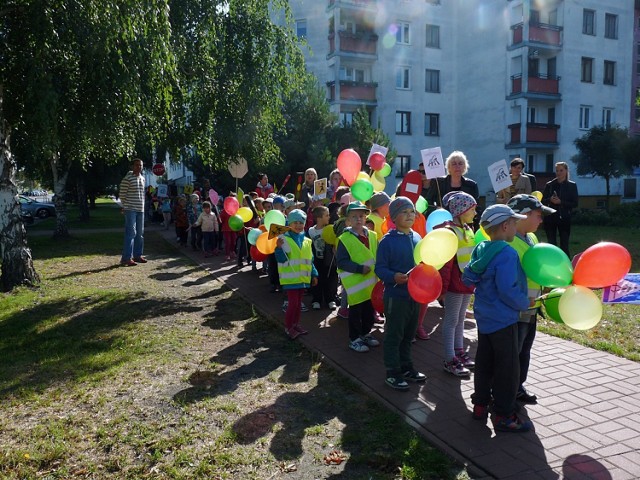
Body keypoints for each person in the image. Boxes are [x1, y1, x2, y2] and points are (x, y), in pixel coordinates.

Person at [463, 204, 533, 433]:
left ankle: (480, 405)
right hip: (503, 320)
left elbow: (472, 278)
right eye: (514, 223)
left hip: (485, 318)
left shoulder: (481, 247)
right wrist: (525, 303)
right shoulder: (507, 253)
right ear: (505, 225)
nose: (516, 226)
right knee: (507, 368)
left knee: (484, 363)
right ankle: (504, 414)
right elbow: (507, 289)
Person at [507, 194, 556, 405]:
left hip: (532, 307)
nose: (541, 220)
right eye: (538, 215)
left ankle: (517, 386)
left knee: (524, 350)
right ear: (524, 215)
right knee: (511, 352)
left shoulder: (532, 238)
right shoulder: (509, 244)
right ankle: (504, 391)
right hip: (515, 310)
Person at [375, 196, 427, 391]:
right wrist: (392, 276)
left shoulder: (417, 238)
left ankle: (406, 367)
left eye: (412, 211)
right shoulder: (387, 241)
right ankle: (392, 372)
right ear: (394, 217)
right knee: (394, 335)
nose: (409, 215)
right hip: (396, 296)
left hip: (415, 296)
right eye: (404, 212)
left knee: (408, 334)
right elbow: (379, 269)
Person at [438, 191, 477, 377]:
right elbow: (446, 265)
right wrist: (442, 290)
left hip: (466, 284)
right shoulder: (450, 232)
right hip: (453, 285)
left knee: (460, 319)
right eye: (473, 209)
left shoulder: (468, 229)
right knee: (451, 320)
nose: (475, 213)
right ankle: (449, 358)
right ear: (462, 211)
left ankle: (459, 351)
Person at [336, 201, 380, 353]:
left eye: (361, 216)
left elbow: (377, 254)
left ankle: (365, 333)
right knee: (355, 312)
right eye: (354, 217)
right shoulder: (344, 239)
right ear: (348, 220)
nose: (358, 219)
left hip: (371, 283)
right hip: (356, 284)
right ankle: (354, 339)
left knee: (369, 311)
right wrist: (359, 268)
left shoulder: (373, 235)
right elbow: (341, 262)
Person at [275, 209, 318, 339]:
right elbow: (281, 259)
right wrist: (278, 248)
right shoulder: (284, 239)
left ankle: (296, 325)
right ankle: (289, 327)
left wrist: (314, 274)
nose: (299, 225)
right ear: (289, 223)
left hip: (302, 278)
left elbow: (310, 260)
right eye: (295, 222)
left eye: (301, 223)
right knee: (293, 304)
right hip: (290, 279)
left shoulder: (307, 241)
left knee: (299, 304)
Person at [424, 151, 479, 218]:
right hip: (442, 220)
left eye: (460, 164)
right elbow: (428, 203)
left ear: (465, 166)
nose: (457, 166)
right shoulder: (438, 182)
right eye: (454, 164)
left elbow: (476, 208)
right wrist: (436, 210)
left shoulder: (472, 185)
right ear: (448, 167)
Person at [541, 161, 579, 257]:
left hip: (564, 218)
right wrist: (550, 200)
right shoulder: (550, 185)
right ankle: (552, 264)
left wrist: (561, 202)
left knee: (564, 244)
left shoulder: (572, 185)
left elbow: (575, 203)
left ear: (566, 171)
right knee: (551, 244)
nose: (559, 173)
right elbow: (542, 202)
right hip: (550, 218)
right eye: (557, 170)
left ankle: (566, 265)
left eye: (561, 170)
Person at [308, 205, 338, 310]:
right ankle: (316, 299)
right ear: (319, 218)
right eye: (326, 215)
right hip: (316, 260)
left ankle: (330, 299)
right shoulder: (311, 231)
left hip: (329, 260)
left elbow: (336, 240)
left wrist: (335, 246)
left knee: (330, 279)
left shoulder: (330, 229)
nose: (329, 217)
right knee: (317, 280)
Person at [119, 158, 146, 266]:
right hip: (130, 209)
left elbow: (142, 195)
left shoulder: (143, 178)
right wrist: (125, 207)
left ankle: (137, 255)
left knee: (140, 234)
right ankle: (126, 258)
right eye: (136, 165)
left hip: (141, 209)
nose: (139, 167)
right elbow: (122, 194)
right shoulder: (127, 178)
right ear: (132, 166)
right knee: (131, 233)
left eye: (140, 165)